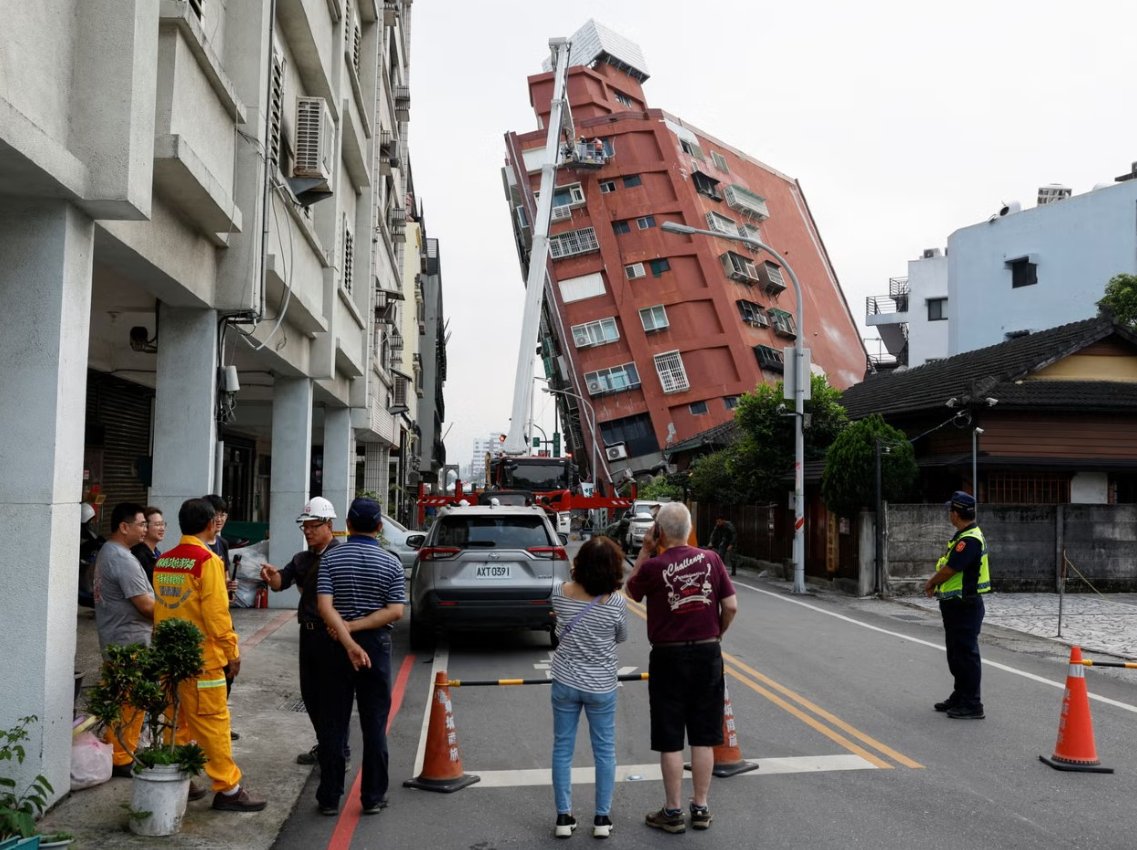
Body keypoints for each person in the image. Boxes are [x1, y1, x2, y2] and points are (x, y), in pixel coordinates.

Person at [626, 502, 737, 834]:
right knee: (703, 736)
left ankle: (673, 813)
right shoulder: (712, 559)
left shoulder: (654, 566)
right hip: (707, 653)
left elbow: (630, 591)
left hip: (667, 656)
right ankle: (700, 808)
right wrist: (717, 631)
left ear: (658, 531)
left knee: (671, 737)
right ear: (689, 529)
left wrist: (645, 550)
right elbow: (731, 605)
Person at [152, 498, 266, 812]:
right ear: (209, 524)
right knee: (214, 724)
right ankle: (228, 789)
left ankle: (179, 777)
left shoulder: (165, 560)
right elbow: (217, 615)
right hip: (203, 661)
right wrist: (233, 652)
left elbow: (164, 607)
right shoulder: (207, 561)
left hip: (171, 658)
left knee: (177, 722)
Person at [314, 498, 406, 816]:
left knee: (334, 724)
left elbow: (324, 606)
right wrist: (357, 628)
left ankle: (329, 797)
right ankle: (373, 796)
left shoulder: (331, 560)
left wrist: (345, 631)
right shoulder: (391, 562)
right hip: (376, 647)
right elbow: (395, 611)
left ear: (348, 526)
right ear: (379, 527)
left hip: (336, 644)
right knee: (374, 724)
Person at [258, 497, 348, 766]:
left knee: (333, 695)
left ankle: (340, 751)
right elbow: (280, 582)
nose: (307, 531)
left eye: (312, 526)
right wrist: (271, 576)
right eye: (304, 527)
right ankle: (327, 745)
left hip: (331, 635)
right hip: (308, 635)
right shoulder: (301, 559)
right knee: (310, 693)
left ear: (329, 525)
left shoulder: (341, 556)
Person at [550, 536, 627, 839]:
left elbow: (558, 627)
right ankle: (602, 819)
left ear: (578, 563)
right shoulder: (616, 602)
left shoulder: (559, 593)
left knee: (562, 748)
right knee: (605, 751)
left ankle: (563, 817)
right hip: (602, 685)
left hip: (565, 682)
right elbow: (620, 637)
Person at [93, 502, 154, 777]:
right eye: (142, 524)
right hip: (128, 643)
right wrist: (178, 611)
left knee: (123, 701)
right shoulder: (122, 559)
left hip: (118, 639)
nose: (146, 529)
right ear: (124, 526)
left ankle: (118, 752)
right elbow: (146, 606)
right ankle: (121, 757)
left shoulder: (110, 551)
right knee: (131, 702)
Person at [924, 491, 990, 720]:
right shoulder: (963, 536)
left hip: (965, 604)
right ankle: (960, 695)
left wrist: (931, 582)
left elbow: (951, 568)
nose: (949, 515)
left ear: (956, 513)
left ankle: (972, 703)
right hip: (956, 604)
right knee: (956, 653)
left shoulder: (969, 539)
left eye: (950, 510)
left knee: (965, 654)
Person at [203, 494, 239, 739]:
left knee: (227, 674)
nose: (220, 519)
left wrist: (228, 587)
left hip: (223, 614)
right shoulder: (199, 547)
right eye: (216, 514)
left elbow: (223, 578)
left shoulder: (222, 544)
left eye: (224, 514)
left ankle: (220, 722)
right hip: (208, 620)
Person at [131, 506, 167, 584]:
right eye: (157, 524)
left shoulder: (156, 552)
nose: (162, 528)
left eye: (163, 524)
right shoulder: (139, 555)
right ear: (145, 527)